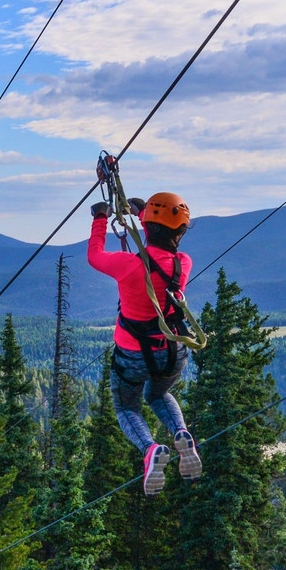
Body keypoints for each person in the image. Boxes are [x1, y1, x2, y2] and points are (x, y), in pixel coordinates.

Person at [88, 192, 202, 496]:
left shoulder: (127, 265)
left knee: (126, 406)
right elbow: (159, 240)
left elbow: (94, 256)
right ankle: (181, 431)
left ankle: (150, 449)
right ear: (181, 232)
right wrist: (141, 213)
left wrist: (100, 218)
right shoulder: (183, 263)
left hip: (132, 353)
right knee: (159, 394)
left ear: (148, 226)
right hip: (173, 349)